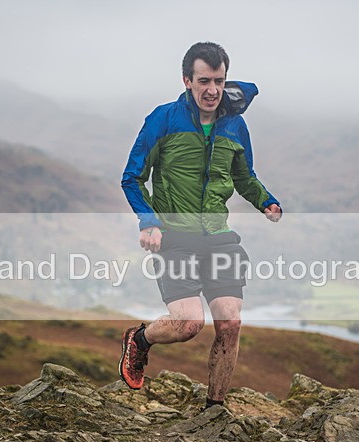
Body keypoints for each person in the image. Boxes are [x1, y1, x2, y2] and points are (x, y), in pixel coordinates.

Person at [119, 42, 281, 409]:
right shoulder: (163, 119)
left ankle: (214, 409)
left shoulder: (235, 125)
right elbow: (132, 178)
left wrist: (265, 201)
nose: (212, 90)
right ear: (187, 80)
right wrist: (149, 222)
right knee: (188, 324)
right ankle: (140, 340)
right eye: (204, 81)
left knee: (230, 323)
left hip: (218, 237)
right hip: (174, 236)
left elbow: (244, 176)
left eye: (219, 81)